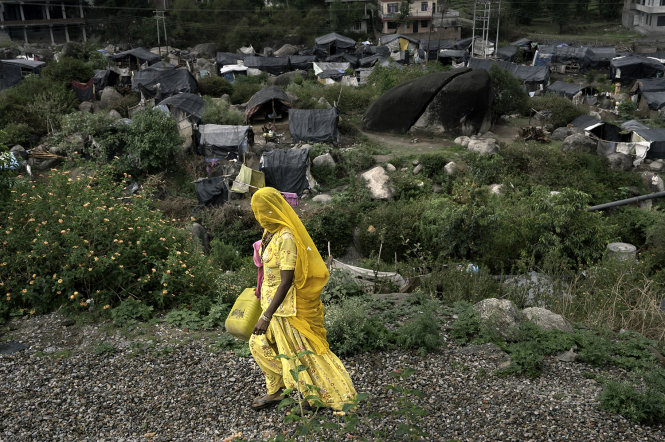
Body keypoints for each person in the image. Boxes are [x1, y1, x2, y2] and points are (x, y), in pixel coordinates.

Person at [248, 187, 357, 410]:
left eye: (260, 212)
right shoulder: (269, 233)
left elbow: (286, 280)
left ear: (271, 210)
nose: (258, 217)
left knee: (300, 353)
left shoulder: (286, 237)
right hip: (271, 305)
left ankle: (318, 396)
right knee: (259, 344)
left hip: (288, 308)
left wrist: (266, 316)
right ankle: (278, 390)